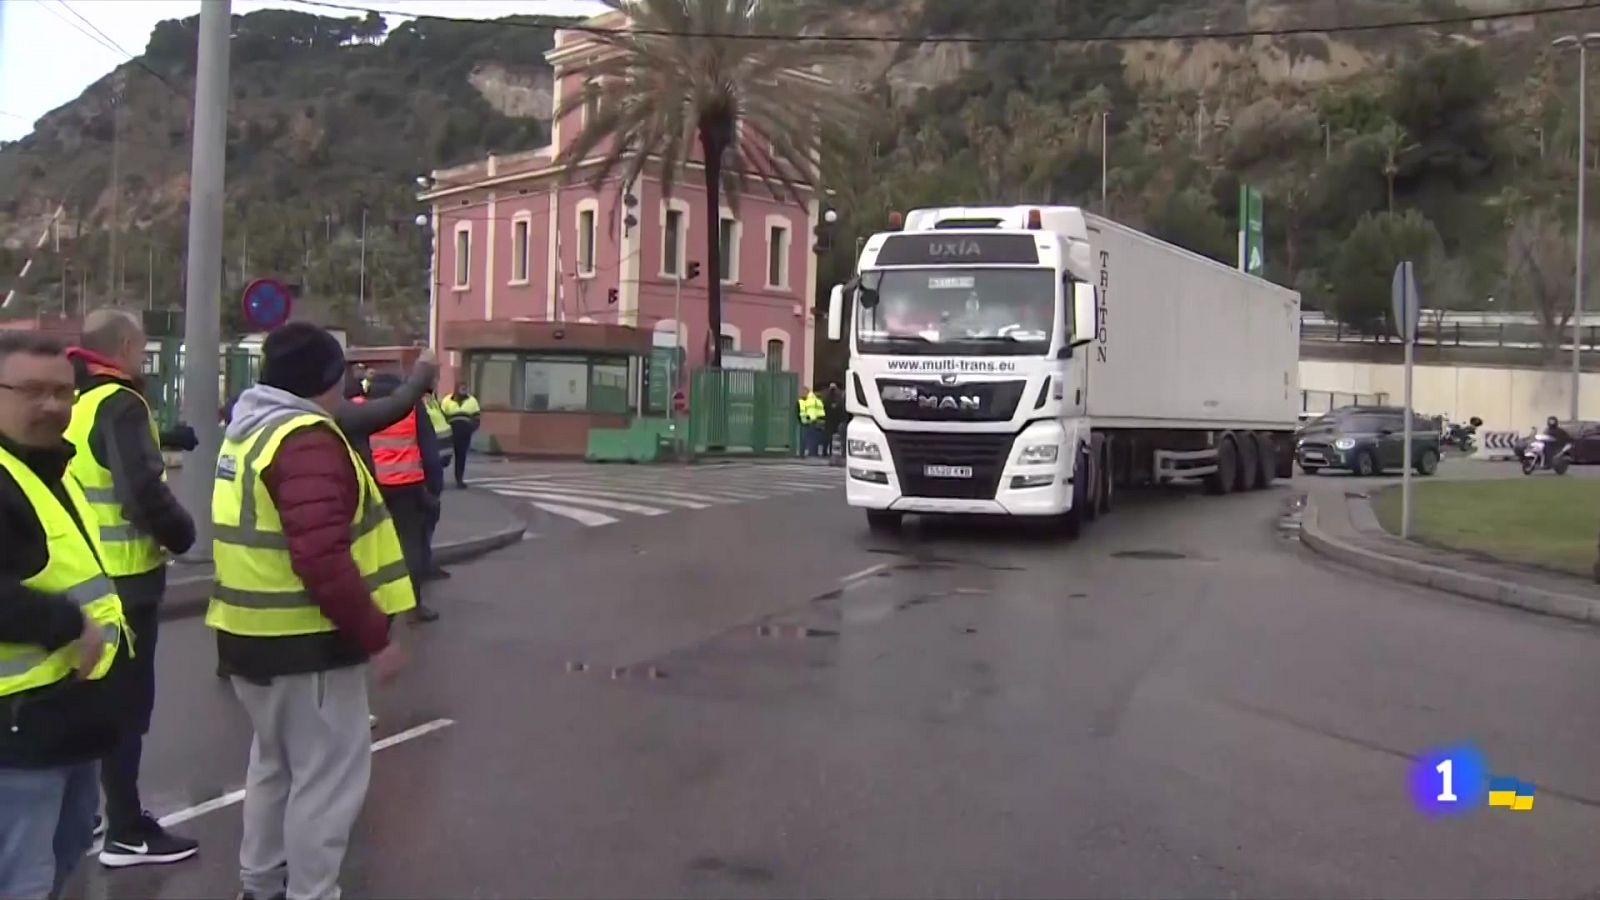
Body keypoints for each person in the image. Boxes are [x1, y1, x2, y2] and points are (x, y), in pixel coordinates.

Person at [208, 322, 413, 900]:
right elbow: (320, 554)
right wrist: (377, 637)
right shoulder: (306, 441)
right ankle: (311, 893)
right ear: (327, 379)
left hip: (249, 637)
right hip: (307, 643)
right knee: (326, 783)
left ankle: (261, 884)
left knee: (273, 768)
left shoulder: (251, 431)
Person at [63, 309, 199, 867]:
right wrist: (183, 534)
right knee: (126, 709)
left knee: (91, 701)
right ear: (121, 346)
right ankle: (125, 831)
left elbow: (94, 454)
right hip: (127, 580)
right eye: (139, 348)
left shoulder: (80, 401)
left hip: (84, 573)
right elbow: (138, 487)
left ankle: (90, 820)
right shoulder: (122, 402)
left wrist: (164, 435)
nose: (142, 357)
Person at [0, 331, 129, 900]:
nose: (51, 405)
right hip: (17, 734)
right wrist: (66, 624)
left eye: (62, 392)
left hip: (65, 725)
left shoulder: (51, 465)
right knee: (23, 879)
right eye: (31, 391)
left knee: (64, 856)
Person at [360, 372, 444, 622]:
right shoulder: (411, 409)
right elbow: (429, 451)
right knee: (410, 547)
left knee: (369, 545)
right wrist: (435, 488)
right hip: (407, 487)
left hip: (371, 487)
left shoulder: (359, 409)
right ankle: (412, 607)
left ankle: (373, 605)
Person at [420, 390, 452, 581]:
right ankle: (422, 565)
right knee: (424, 520)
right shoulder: (417, 402)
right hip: (426, 469)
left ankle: (426, 562)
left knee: (430, 518)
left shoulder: (431, 400)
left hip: (436, 466)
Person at [440, 385, 480, 488]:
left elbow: (476, 418)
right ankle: (439, 480)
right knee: (444, 457)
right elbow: (442, 416)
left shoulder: (472, 401)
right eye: (461, 388)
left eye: (465, 388)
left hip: (464, 435)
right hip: (449, 434)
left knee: (461, 458)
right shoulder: (447, 400)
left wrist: (470, 429)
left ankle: (459, 480)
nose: (463, 390)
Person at [797, 385, 825, 457]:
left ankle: (806, 453)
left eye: (802, 391)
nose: (800, 393)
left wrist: (807, 420)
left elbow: (809, 412)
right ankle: (810, 453)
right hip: (813, 421)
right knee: (812, 438)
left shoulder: (809, 400)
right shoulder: (814, 399)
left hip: (810, 422)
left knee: (807, 438)